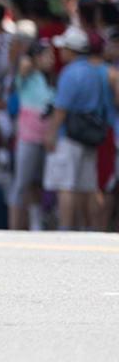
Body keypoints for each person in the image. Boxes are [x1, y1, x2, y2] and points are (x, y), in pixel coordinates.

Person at [44, 25, 115, 230]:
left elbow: (61, 108)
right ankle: (90, 228)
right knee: (88, 187)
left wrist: (51, 133)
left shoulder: (70, 73)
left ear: (71, 50)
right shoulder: (95, 72)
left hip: (70, 135)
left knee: (66, 185)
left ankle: (66, 228)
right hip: (90, 135)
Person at [10, 39, 56, 230]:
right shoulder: (26, 76)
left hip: (46, 140)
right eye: (47, 55)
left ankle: (36, 224)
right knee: (22, 183)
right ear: (36, 58)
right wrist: (29, 57)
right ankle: (13, 228)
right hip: (28, 138)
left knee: (38, 184)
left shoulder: (50, 79)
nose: (52, 59)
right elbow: (22, 66)